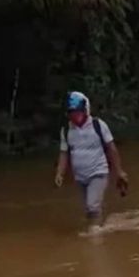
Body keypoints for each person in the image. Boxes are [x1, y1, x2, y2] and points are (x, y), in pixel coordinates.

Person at [55, 92, 129, 235]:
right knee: (89, 208)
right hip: (80, 177)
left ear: (85, 110)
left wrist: (119, 171)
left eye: (78, 112)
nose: (75, 116)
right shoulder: (66, 130)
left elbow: (111, 149)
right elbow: (64, 153)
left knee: (92, 205)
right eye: (72, 113)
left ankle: (95, 235)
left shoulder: (98, 125)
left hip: (98, 172)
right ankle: (101, 226)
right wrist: (60, 173)